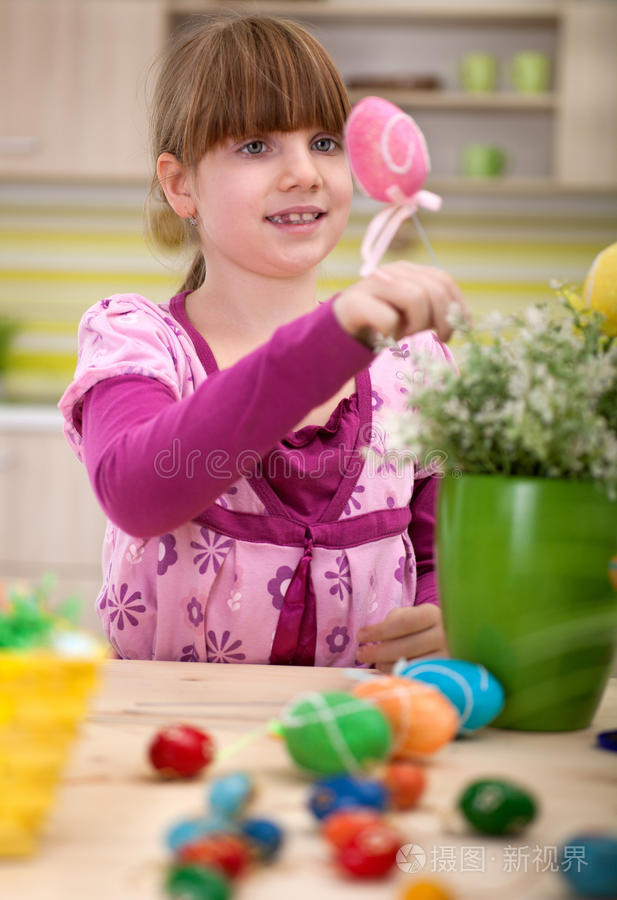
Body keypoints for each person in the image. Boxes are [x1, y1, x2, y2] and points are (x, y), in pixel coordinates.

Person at [59, 14, 467, 669]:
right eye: (255, 146)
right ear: (179, 185)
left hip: (365, 736)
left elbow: (444, 547)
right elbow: (138, 491)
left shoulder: (411, 362)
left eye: (325, 142)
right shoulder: (136, 339)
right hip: (174, 739)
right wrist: (331, 339)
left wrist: (445, 615)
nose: (304, 172)